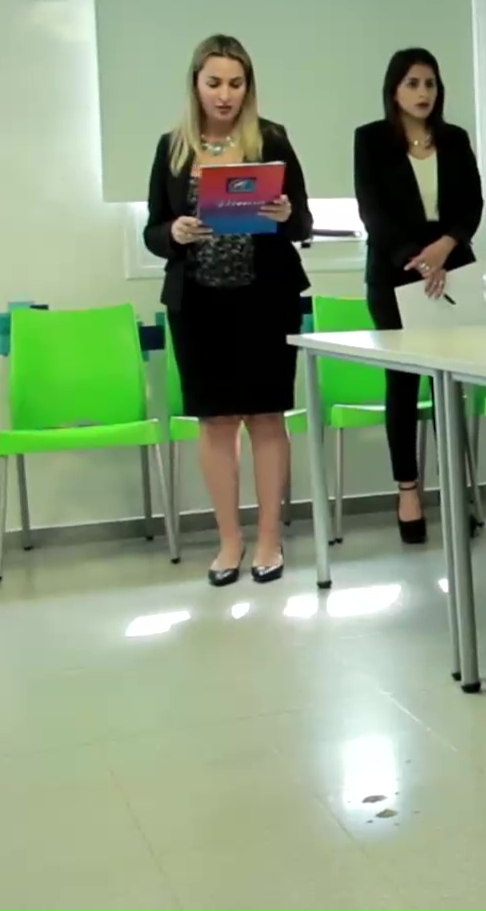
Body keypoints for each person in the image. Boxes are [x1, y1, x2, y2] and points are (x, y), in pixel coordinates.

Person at [143, 34, 312, 587]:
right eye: (214, 82)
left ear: (248, 87)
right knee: (215, 423)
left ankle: (268, 538)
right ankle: (229, 542)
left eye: (235, 84)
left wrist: (286, 211)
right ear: (195, 83)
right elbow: (152, 230)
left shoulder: (271, 139)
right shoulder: (172, 147)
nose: (225, 95)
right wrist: (175, 230)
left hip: (264, 300)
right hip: (199, 306)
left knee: (265, 417)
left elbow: (301, 223)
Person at [353, 48, 483, 545]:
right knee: (403, 382)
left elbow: (472, 201)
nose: (423, 93)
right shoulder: (371, 140)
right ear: (394, 90)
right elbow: (372, 210)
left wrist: (446, 247)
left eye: (430, 83)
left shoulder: (454, 139)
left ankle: (458, 491)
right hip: (394, 271)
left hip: (453, 270)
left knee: (449, 383)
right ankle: (407, 492)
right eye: (412, 83)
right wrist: (418, 257)